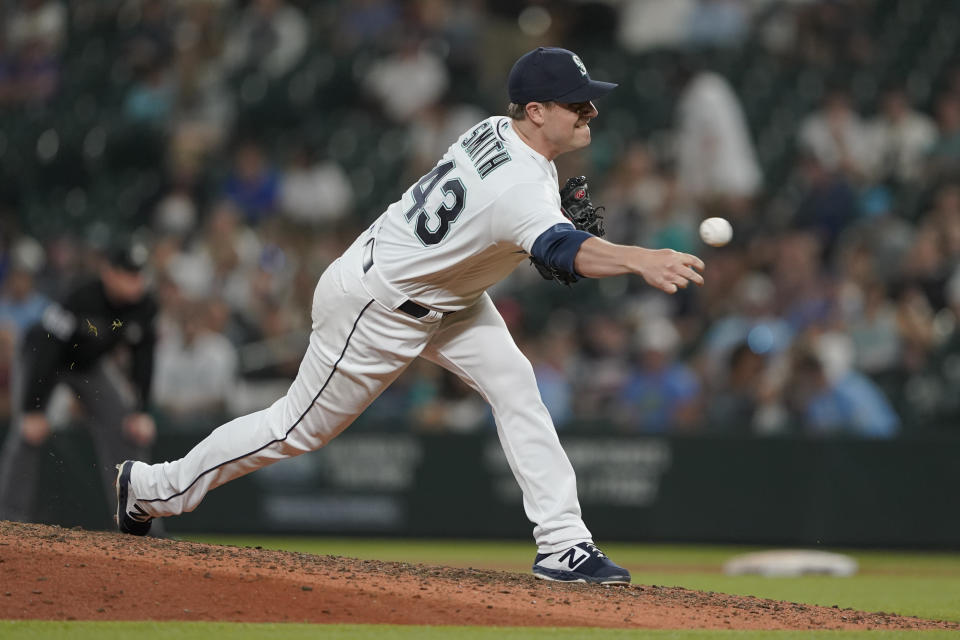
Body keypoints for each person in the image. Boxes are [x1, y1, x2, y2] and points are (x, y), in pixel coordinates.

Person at [115, 47, 705, 584]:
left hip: (446, 297)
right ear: (535, 110)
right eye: (577, 103)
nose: (590, 112)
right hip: (376, 307)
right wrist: (637, 257)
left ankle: (562, 544)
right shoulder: (519, 184)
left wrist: (552, 227)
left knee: (517, 385)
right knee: (294, 430)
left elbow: (517, 225)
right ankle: (149, 488)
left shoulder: (496, 131)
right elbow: (557, 248)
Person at [0, 242, 158, 524]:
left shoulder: (144, 306)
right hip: (43, 359)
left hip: (88, 365)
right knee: (27, 431)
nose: (134, 281)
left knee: (125, 424)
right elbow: (48, 348)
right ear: (109, 272)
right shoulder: (80, 295)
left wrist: (141, 409)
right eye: (127, 272)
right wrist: (34, 407)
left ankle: (138, 519)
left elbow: (144, 356)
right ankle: (9, 521)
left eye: (138, 273)